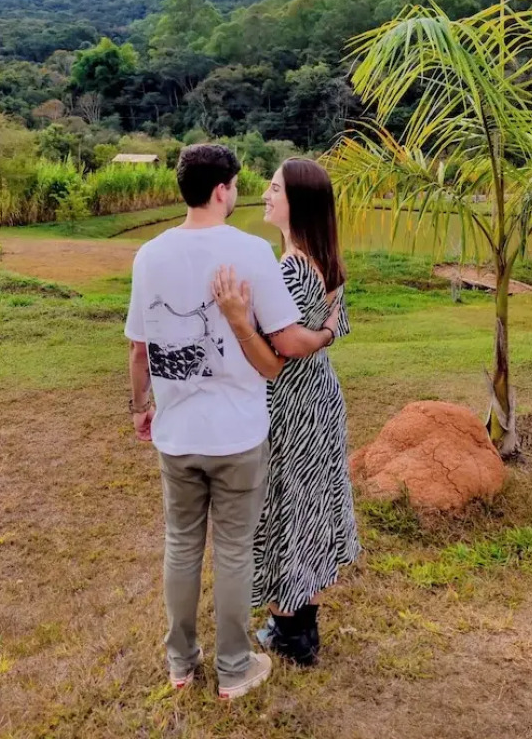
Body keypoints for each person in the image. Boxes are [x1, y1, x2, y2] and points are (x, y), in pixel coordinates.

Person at [125, 144, 339, 700]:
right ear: (223, 189)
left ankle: (180, 663)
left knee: (181, 546)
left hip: (176, 434)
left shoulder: (148, 255)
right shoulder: (250, 253)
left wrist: (139, 407)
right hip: (239, 434)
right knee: (235, 551)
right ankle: (234, 667)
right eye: (242, 184)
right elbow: (273, 361)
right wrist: (253, 326)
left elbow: (138, 350)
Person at [212, 158, 360, 667]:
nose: (265, 193)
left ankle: (291, 631)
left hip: (292, 404)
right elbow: (337, 329)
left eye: (275, 187)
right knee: (310, 506)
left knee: (286, 508)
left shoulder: (293, 267)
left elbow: (284, 348)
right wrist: (321, 336)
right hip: (319, 396)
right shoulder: (326, 258)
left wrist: (238, 320)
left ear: (298, 201)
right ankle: (300, 624)